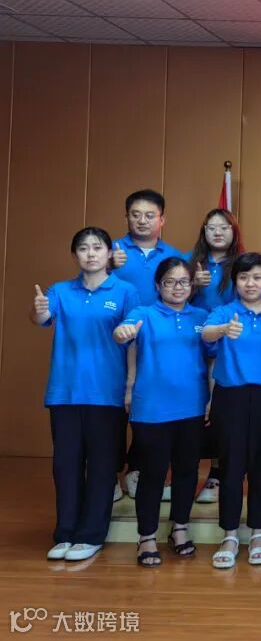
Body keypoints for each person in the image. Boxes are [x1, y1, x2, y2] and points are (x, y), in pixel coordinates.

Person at [34, 227, 140, 562]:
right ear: (75, 254)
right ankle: (65, 532)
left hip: (106, 393)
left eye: (97, 247)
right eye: (83, 248)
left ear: (110, 254)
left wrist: (130, 385)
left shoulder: (125, 291)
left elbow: (134, 341)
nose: (90, 253)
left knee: (102, 467)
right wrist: (39, 310)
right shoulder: (60, 291)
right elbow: (41, 317)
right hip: (64, 392)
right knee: (65, 466)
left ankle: (91, 535)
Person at [201, 253, 261, 568]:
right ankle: (230, 534)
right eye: (243, 278)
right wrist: (222, 330)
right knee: (230, 467)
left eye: (257, 277)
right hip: (230, 396)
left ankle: (258, 532)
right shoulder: (224, 311)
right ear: (235, 282)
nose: (250, 283)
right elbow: (205, 334)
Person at [113, 258, 212, 567]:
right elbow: (123, 333)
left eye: (184, 281)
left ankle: (180, 528)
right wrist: (122, 332)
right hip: (152, 409)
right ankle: (146, 536)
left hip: (192, 406)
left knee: (187, 471)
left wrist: (211, 398)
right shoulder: (144, 314)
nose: (177, 287)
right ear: (158, 285)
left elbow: (212, 358)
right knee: (153, 474)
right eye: (170, 281)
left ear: (192, 285)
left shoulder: (202, 317)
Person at [110, 189, 183, 500]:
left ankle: (138, 470)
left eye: (150, 215)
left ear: (161, 220)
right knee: (113, 412)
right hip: (114, 345)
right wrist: (108, 265)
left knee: (149, 411)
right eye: (136, 214)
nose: (142, 220)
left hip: (155, 348)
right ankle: (110, 475)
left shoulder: (175, 256)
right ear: (126, 217)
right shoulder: (110, 252)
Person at [188, 208, 245, 505]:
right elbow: (170, 297)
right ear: (204, 231)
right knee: (191, 407)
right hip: (192, 343)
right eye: (212, 227)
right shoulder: (190, 262)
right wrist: (193, 285)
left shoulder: (242, 264)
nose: (218, 232)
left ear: (234, 231)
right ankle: (183, 473)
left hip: (227, 345)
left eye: (224, 227)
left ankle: (217, 473)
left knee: (219, 410)